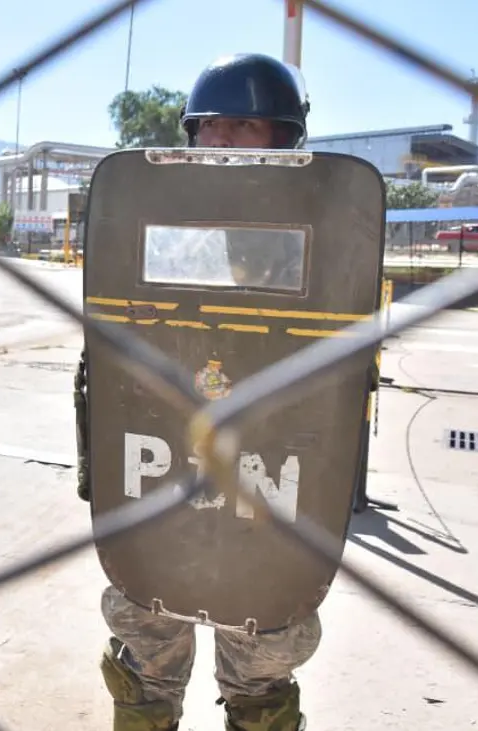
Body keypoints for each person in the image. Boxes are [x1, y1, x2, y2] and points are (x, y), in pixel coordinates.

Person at [74, 53, 318, 731]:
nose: (221, 140)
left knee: (261, 667)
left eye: (243, 126)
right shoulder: (164, 224)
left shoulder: (317, 229)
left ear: (283, 138)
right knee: (144, 659)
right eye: (209, 126)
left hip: (265, 475)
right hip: (161, 465)